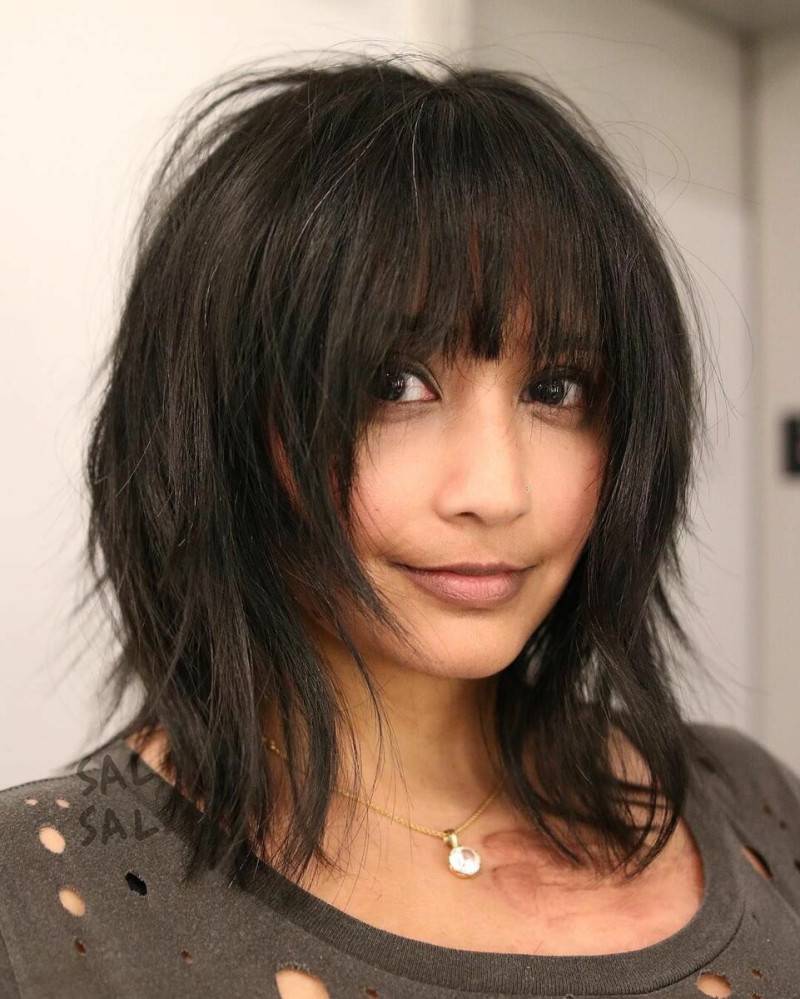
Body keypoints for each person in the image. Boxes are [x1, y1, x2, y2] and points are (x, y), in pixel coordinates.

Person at [1, 50, 799, 999]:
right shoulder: (37, 896)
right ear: (219, 417)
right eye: (395, 384)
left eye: (555, 389)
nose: (497, 490)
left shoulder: (748, 800)